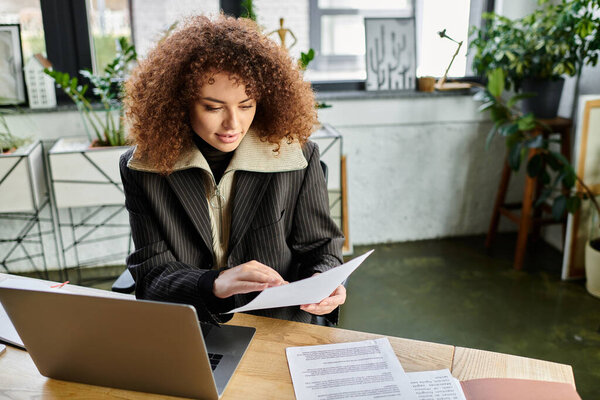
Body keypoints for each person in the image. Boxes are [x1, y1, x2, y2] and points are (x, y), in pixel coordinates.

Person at [121, 14, 345, 326]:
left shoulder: (297, 157)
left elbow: (320, 248)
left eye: (246, 105)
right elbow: (152, 277)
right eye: (213, 108)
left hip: (282, 325)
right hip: (194, 326)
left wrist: (326, 280)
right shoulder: (142, 168)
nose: (233, 124)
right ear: (179, 103)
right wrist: (214, 284)